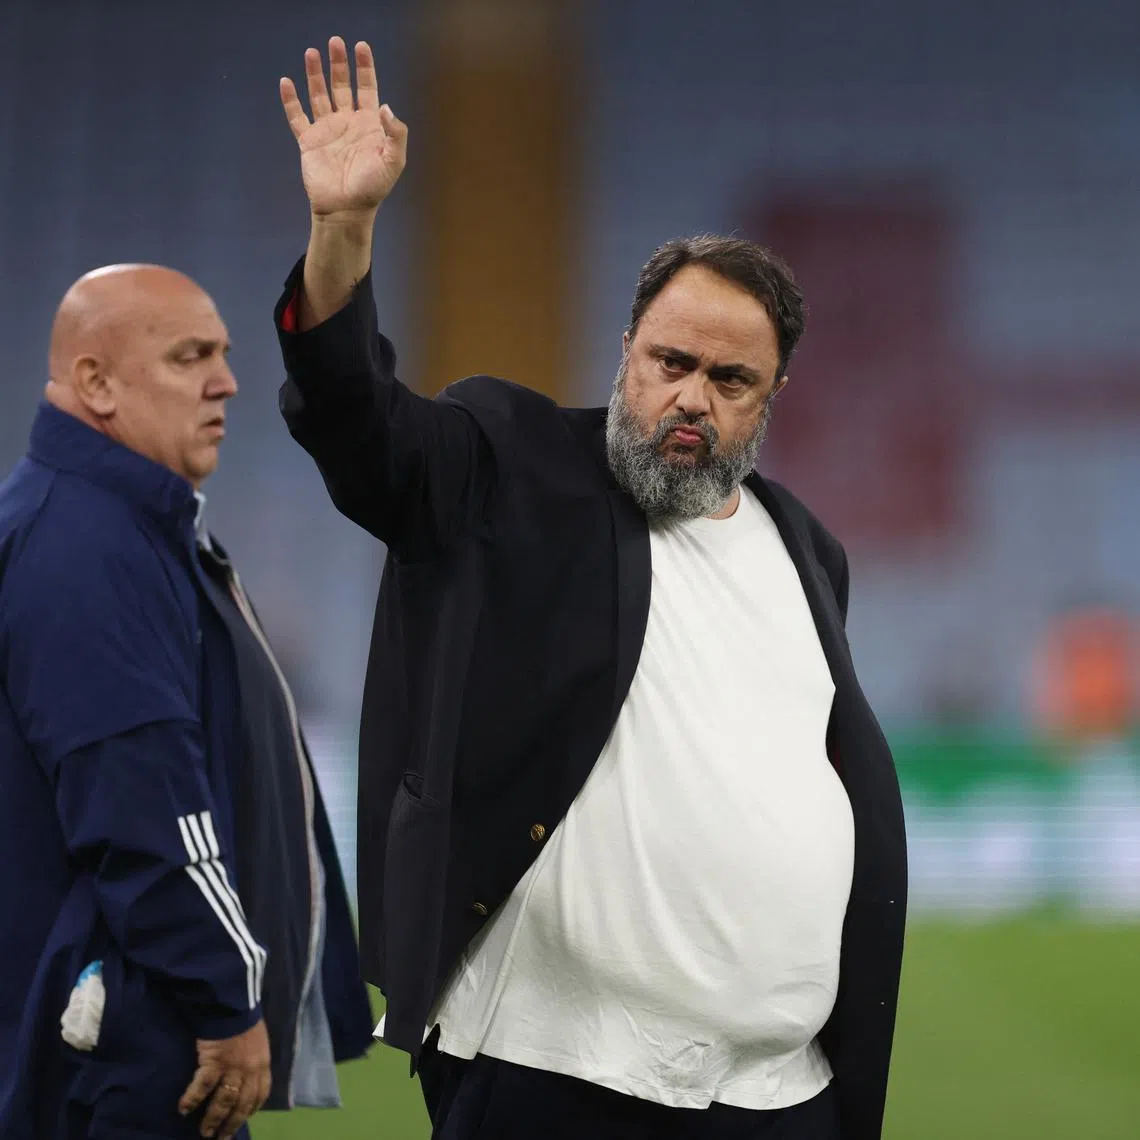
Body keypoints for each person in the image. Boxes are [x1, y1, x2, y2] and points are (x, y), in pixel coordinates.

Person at [276, 37, 907, 1140]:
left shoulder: (804, 546)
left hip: (778, 1093)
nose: (691, 397)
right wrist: (344, 231)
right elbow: (359, 430)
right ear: (625, 350)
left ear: (772, 398)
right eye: (670, 360)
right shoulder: (511, 461)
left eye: (730, 378)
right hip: (558, 1079)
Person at [0, 263, 373, 1140]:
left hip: (113, 1022)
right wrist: (224, 994)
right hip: (125, 1044)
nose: (227, 381)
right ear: (94, 381)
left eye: (224, 353)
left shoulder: (105, 525)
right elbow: (146, 800)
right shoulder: (86, 546)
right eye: (190, 356)